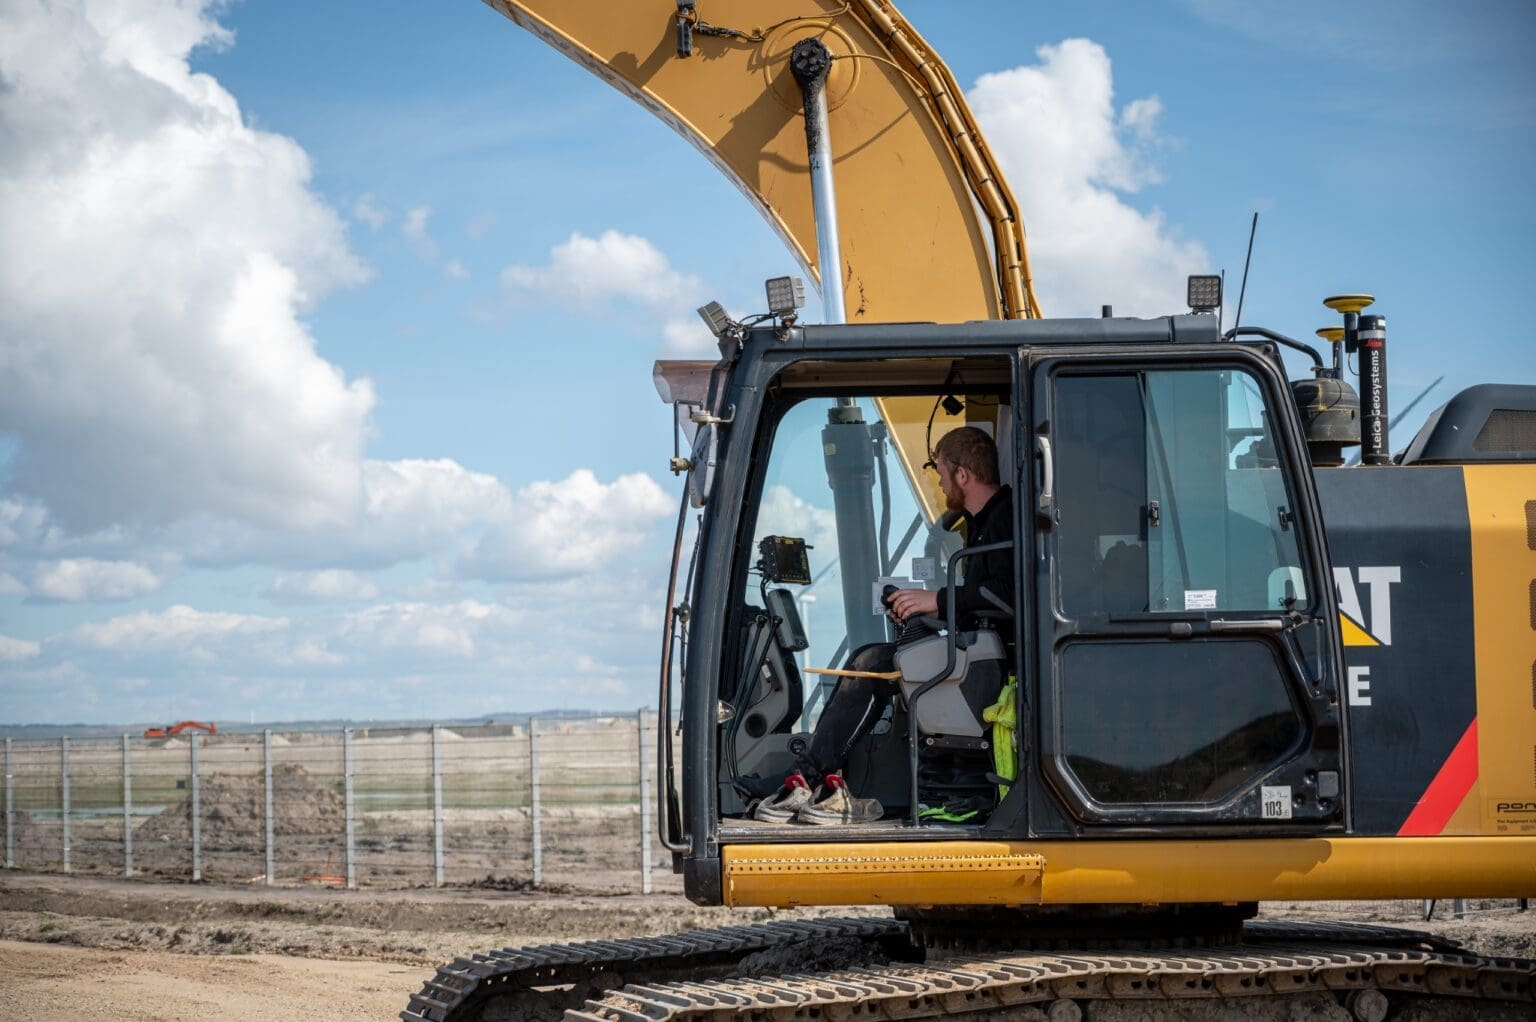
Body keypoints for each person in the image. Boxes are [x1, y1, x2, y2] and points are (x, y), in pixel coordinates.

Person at [751, 425, 1015, 825]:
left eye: (942, 473)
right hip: (976, 649)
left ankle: (805, 778)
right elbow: (983, 598)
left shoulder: (1006, 520)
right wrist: (925, 610)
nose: (940, 483)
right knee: (868, 658)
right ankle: (813, 776)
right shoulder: (981, 523)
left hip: (992, 662)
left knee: (873, 661)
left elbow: (1009, 594)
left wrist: (937, 600)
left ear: (963, 474)